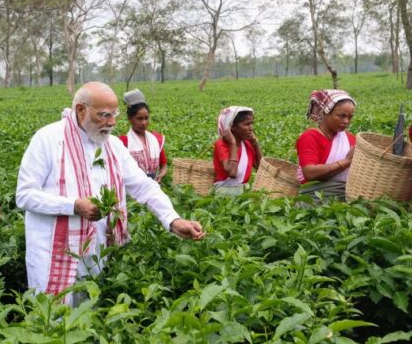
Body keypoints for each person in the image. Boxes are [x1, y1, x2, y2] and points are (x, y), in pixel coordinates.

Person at [16, 82, 205, 305]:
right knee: (53, 316)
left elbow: (144, 186)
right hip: (53, 253)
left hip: (97, 252)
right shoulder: (48, 139)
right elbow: (25, 194)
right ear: (81, 109)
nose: (112, 122)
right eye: (104, 115)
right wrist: (74, 206)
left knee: (90, 314)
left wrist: (173, 220)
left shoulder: (113, 146)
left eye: (114, 115)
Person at [296, 89, 356, 201]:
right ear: (325, 113)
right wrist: (346, 162)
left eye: (350, 117)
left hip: (343, 194)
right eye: (341, 116)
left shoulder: (350, 139)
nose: (346, 121)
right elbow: (309, 173)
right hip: (313, 197)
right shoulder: (310, 137)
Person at [118, 89, 168, 182]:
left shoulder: (156, 139)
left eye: (146, 118)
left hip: (154, 186)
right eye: (139, 119)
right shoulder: (123, 142)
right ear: (130, 118)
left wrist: (161, 174)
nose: (144, 123)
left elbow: (164, 165)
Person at [212, 106, 262, 196]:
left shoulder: (247, 144)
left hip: (243, 188)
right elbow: (233, 173)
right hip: (223, 189)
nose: (251, 128)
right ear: (232, 127)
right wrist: (233, 143)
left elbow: (260, 167)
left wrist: (255, 143)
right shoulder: (221, 144)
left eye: (252, 123)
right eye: (247, 124)